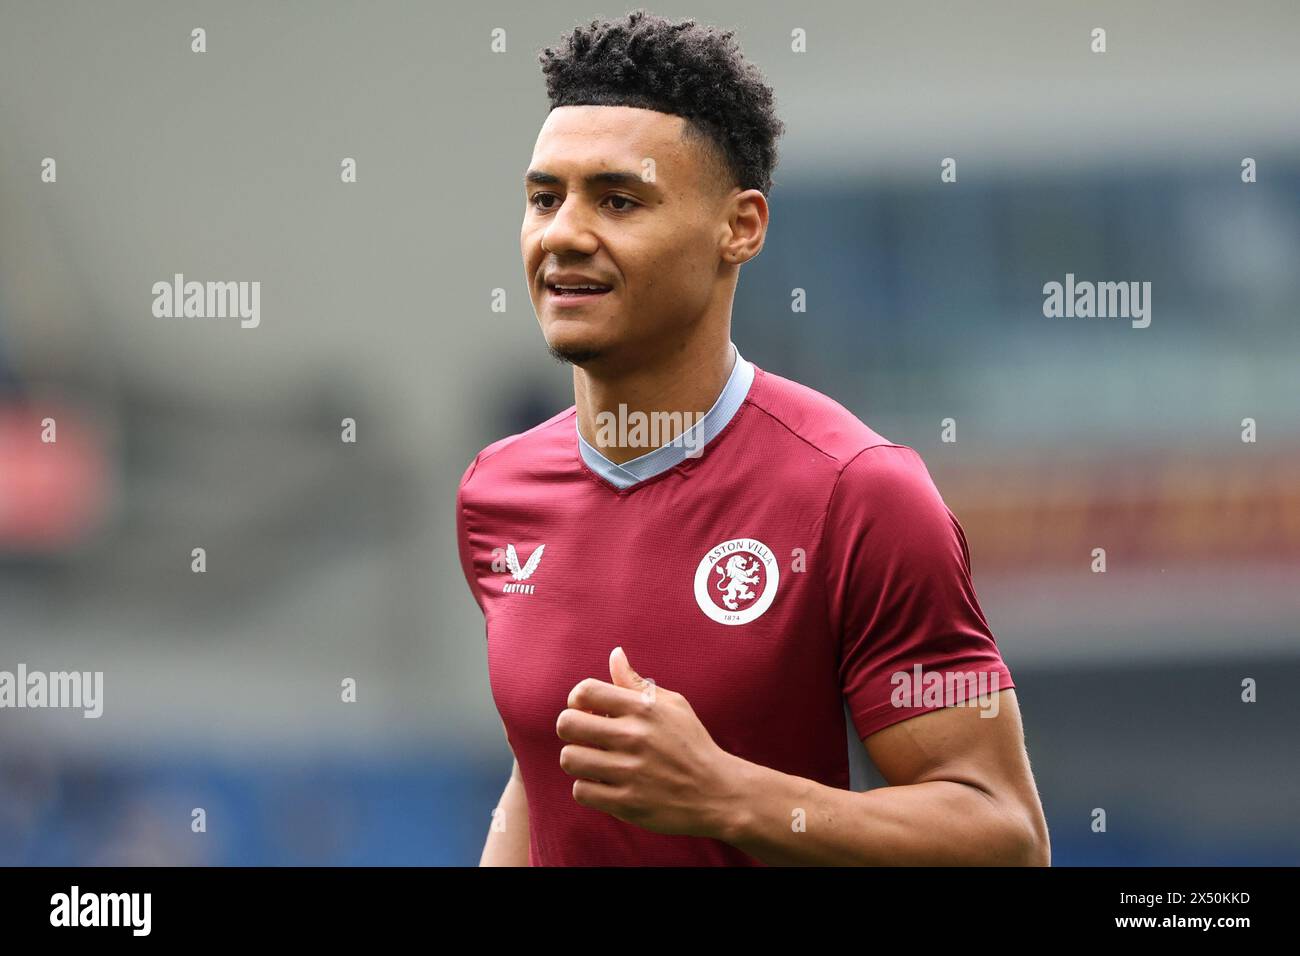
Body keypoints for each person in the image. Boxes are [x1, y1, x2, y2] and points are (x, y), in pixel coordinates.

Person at [456, 9, 1049, 866]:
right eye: (545, 198)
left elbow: (1005, 835)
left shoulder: (859, 495)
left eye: (618, 200)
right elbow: (543, 775)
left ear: (741, 227)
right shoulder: (496, 493)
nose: (564, 234)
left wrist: (728, 796)